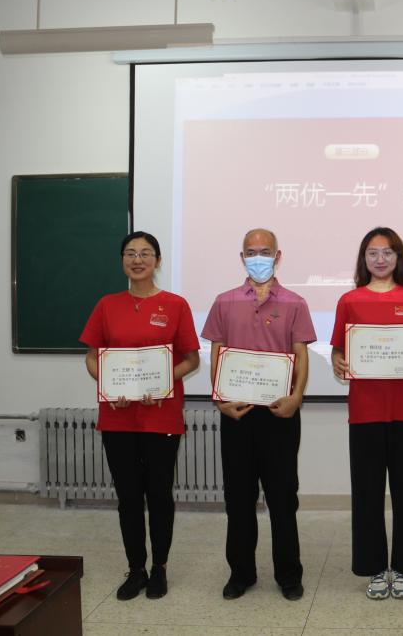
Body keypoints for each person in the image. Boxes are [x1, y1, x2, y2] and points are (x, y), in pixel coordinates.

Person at [80, 231, 200, 600]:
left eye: (146, 253)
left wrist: (163, 381)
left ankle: (160, 567)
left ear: (158, 261)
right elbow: (91, 357)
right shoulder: (107, 305)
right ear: (122, 261)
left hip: (161, 416)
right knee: (129, 497)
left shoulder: (176, 305)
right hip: (117, 418)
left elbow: (191, 360)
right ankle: (136, 569)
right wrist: (107, 383)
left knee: (159, 494)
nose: (138, 260)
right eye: (130, 253)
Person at [201, 228, 315, 602]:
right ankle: (241, 573)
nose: (258, 258)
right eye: (251, 252)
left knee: (283, 499)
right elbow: (217, 353)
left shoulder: (295, 302)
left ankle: (289, 575)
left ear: (278, 256)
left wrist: (296, 397)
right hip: (237, 414)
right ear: (242, 257)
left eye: (265, 251)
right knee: (238, 498)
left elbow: (300, 354)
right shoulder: (225, 302)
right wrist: (220, 400)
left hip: (280, 414)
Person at [330, 227, 403, 600]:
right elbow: (338, 351)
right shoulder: (349, 300)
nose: (380, 259)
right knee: (367, 495)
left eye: (387, 252)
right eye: (373, 253)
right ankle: (374, 568)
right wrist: (338, 362)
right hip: (365, 412)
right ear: (364, 259)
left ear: (398, 257)